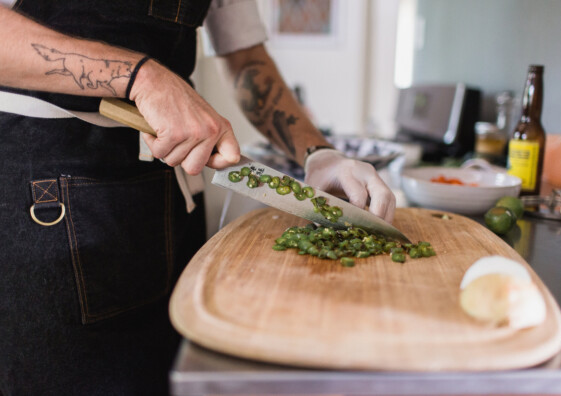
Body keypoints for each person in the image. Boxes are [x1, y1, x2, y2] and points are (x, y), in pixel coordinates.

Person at [0, 0, 397, 394]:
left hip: (168, 197)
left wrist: (319, 154)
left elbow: (246, 61)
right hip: (48, 198)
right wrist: (143, 78)